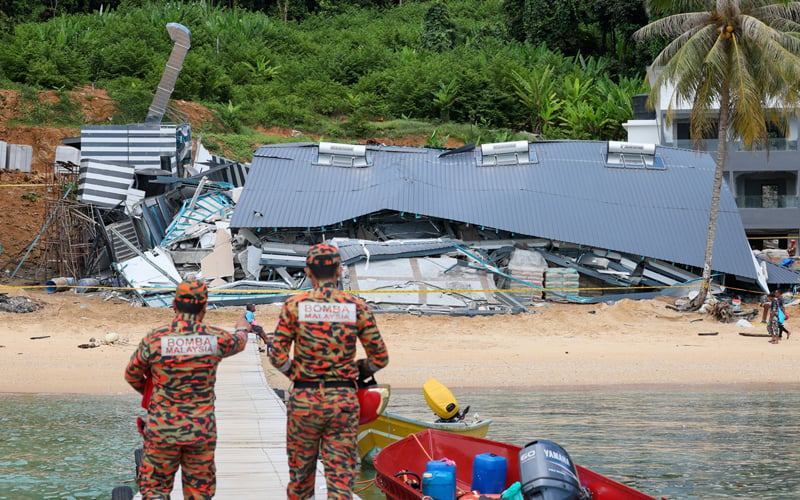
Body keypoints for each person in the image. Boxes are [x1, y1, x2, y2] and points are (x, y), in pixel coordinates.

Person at [269, 243, 389, 500]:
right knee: (340, 482)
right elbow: (380, 358)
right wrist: (358, 371)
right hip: (342, 402)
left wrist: (297, 375)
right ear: (339, 271)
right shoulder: (356, 307)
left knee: (300, 480)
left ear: (308, 272)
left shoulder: (294, 305)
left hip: (304, 400)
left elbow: (276, 356)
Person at [125, 278, 248, 499]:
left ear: (174, 304)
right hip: (200, 429)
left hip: (162, 428)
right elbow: (238, 342)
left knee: (154, 490)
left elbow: (132, 374)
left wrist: (154, 395)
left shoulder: (156, 338)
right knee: (199, 493)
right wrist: (243, 328)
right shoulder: (215, 337)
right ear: (204, 306)